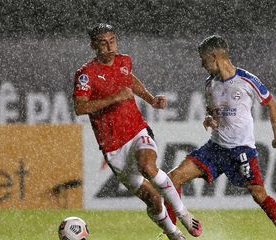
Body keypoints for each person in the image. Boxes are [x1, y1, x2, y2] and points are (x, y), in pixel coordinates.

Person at [72, 23, 202, 240]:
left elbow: (130, 80)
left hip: (136, 130)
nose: (109, 46)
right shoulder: (86, 74)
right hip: (113, 146)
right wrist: (114, 98)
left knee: (147, 166)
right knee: (153, 199)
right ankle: (173, 233)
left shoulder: (124, 61)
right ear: (93, 45)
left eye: (112, 40)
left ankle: (183, 213)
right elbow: (80, 107)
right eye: (103, 43)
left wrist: (151, 99)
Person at [164, 34, 276, 240]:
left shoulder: (246, 80)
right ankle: (171, 233)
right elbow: (212, 109)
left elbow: (272, 104)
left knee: (259, 195)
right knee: (172, 179)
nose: (202, 64)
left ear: (215, 56)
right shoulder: (210, 84)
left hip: (241, 151)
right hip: (214, 149)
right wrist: (209, 118)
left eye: (203, 59)